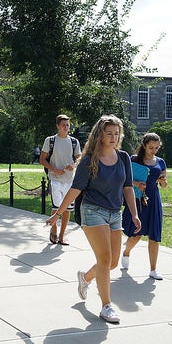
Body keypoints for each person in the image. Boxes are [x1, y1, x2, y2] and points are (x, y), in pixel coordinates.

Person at [46, 115, 141, 324]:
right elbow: (75, 190)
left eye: (116, 134)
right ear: (100, 135)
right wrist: (58, 213)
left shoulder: (124, 157)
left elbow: (127, 188)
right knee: (105, 259)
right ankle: (106, 306)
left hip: (115, 213)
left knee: (113, 263)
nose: (113, 137)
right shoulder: (89, 160)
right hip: (92, 211)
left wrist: (134, 213)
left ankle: (86, 278)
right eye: (109, 134)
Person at [121, 133, 168, 280]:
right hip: (136, 198)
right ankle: (126, 252)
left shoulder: (161, 162)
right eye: (151, 147)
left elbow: (165, 183)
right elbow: (124, 178)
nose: (154, 150)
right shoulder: (134, 159)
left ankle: (153, 269)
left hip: (153, 198)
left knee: (154, 235)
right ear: (144, 145)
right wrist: (136, 184)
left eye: (156, 147)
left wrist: (163, 182)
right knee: (136, 235)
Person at [39, 114, 82, 245]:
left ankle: (62, 236)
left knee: (67, 209)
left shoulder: (74, 141)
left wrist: (73, 165)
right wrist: (53, 169)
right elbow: (42, 159)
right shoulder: (50, 140)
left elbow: (79, 158)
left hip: (69, 180)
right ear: (57, 126)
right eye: (63, 125)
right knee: (57, 207)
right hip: (55, 179)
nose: (66, 127)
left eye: (67, 125)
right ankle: (54, 231)